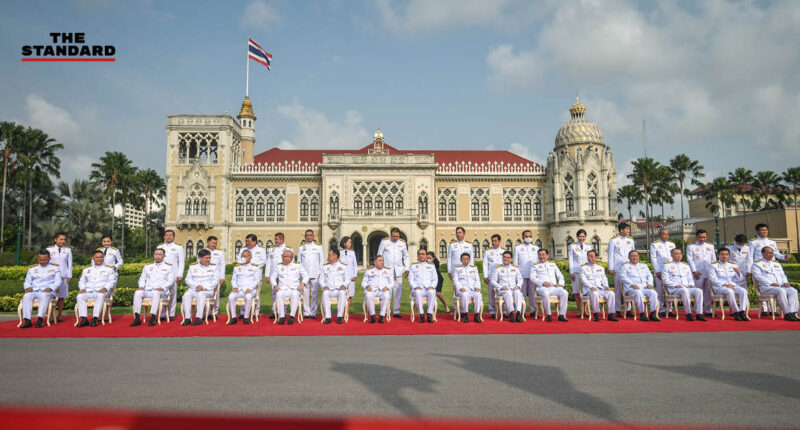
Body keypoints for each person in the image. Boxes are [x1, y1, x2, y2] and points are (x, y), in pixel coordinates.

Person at [748, 224, 792, 314]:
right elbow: (750, 257)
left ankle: (773, 310)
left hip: (772, 267)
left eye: (766, 230)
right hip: (760, 267)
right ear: (757, 231)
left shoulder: (772, 241)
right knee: (762, 287)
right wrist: (749, 270)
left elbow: (776, 254)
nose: (765, 232)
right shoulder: (753, 242)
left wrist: (784, 256)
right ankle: (764, 309)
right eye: (762, 230)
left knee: (775, 284)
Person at [751, 246, 799, 321]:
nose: (770, 254)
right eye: (768, 253)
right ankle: (787, 314)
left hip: (780, 286)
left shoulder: (776, 264)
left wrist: (785, 282)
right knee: (781, 291)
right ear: (763, 253)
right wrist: (771, 283)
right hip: (767, 287)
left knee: (793, 290)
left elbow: (783, 275)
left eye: (772, 253)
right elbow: (758, 277)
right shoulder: (757, 264)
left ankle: (793, 313)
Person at [131, 249, 175, 327]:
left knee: (156, 292)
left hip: (161, 292)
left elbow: (170, 281)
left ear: (164, 256)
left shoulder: (169, 267)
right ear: (153, 255)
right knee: (138, 292)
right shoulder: (148, 266)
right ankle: (137, 317)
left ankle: (153, 317)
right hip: (148, 290)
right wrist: (141, 286)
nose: (157, 256)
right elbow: (142, 278)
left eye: (160, 254)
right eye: (156, 254)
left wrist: (162, 287)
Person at [20, 250, 61, 328]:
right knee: (27, 296)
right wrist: (28, 287)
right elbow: (27, 281)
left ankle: (40, 319)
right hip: (34, 290)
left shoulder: (55, 268)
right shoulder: (32, 269)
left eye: (44, 260)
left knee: (43, 295)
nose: (42, 261)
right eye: (40, 259)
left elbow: (58, 282)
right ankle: (27, 320)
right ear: (37, 258)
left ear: (49, 259)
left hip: (48, 291)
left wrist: (51, 288)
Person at [75, 250, 117, 327]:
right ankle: (84, 319)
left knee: (100, 296)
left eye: (101, 257)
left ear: (103, 258)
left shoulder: (109, 269)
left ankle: (95, 318)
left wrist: (105, 288)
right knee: (80, 296)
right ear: (93, 258)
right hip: (89, 291)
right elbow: (81, 281)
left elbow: (112, 281)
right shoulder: (86, 270)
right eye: (97, 257)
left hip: (102, 291)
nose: (99, 259)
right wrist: (82, 288)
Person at [663, 248, 706, 321]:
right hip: (674, 289)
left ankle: (699, 313)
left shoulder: (686, 266)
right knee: (684, 290)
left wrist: (692, 284)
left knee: (699, 291)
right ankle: (688, 313)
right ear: (671, 255)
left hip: (686, 287)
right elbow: (665, 279)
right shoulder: (667, 266)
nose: (678, 255)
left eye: (680, 254)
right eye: (676, 254)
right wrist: (675, 285)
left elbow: (690, 279)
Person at [708, 248, 750, 321]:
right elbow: (713, 279)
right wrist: (725, 285)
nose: (724, 256)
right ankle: (736, 312)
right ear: (718, 255)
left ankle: (742, 311)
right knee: (729, 291)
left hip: (732, 285)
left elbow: (739, 279)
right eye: (722, 254)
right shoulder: (713, 265)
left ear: (729, 255)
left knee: (743, 291)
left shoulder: (732, 265)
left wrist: (738, 272)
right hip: (719, 287)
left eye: (726, 254)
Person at [181, 249, 220, 326]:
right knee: (186, 295)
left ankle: (199, 318)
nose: (208, 259)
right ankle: (187, 318)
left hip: (207, 290)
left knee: (201, 294)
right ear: (199, 258)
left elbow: (216, 281)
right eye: (206, 258)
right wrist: (196, 286)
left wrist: (204, 287)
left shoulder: (214, 267)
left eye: (209, 258)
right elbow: (187, 279)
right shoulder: (192, 266)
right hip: (194, 289)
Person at [376, 228, 409, 318]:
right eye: (394, 236)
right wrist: (379, 267)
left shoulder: (402, 243)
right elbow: (379, 254)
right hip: (387, 270)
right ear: (390, 235)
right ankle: (387, 310)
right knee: (387, 290)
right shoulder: (384, 242)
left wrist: (407, 268)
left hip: (398, 270)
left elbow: (406, 256)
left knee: (397, 291)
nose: (395, 238)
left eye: (397, 236)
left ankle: (396, 311)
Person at [619, 250, 660, 321]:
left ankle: (653, 313)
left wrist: (650, 284)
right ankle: (642, 313)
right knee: (638, 293)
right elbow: (623, 277)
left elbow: (649, 275)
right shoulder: (625, 266)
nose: (635, 257)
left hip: (644, 287)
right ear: (629, 257)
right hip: (631, 289)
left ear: (638, 257)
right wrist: (632, 284)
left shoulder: (643, 266)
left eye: (636, 256)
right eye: (632, 256)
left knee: (653, 292)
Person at [271, 249, 308, 325]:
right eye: (282, 256)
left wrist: (303, 283)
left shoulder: (297, 265)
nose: (283, 258)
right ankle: (281, 316)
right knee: (279, 294)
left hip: (294, 288)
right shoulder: (279, 266)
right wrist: (275, 285)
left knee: (295, 294)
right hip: (282, 288)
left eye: (285, 256)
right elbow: (272, 277)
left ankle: (292, 316)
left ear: (291, 258)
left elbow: (306, 275)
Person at [580, 250, 619, 322]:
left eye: (591, 256)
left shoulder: (600, 268)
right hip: (589, 289)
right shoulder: (583, 268)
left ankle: (611, 314)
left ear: (596, 257)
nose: (589, 258)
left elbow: (604, 278)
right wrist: (591, 287)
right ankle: (596, 314)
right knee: (594, 293)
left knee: (611, 293)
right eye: (588, 256)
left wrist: (606, 286)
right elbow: (583, 279)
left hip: (600, 288)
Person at [531, 249, 568, 322]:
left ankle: (561, 315)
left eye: (543, 254)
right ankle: (548, 314)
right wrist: (542, 282)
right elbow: (532, 278)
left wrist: (560, 283)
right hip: (542, 288)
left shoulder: (553, 265)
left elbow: (560, 276)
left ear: (547, 256)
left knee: (564, 292)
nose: (541, 256)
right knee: (545, 293)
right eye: (540, 255)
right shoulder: (535, 266)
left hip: (553, 288)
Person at [608, 222, 635, 317]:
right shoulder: (614, 240)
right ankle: (618, 309)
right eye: (627, 229)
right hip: (618, 267)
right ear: (621, 230)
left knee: (628, 287)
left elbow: (633, 253)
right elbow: (610, 254)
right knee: (618, 289)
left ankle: (628, 309)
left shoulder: (630, 240)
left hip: (628, 267)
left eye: (628, 229)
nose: (628, 231)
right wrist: (611, 268)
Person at [157, 230, 185, 319]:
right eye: (167, 235)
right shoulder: (160, 246)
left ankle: (171, 314)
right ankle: (162, 314)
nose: (168, 237)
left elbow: (181, 262)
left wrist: (180, 274)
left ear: (174, 237)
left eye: (170, 235)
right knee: (161, 293)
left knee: (173, 294)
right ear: (164, 237)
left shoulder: (178, 247)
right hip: (162, 274)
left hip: (173, 274)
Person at [687, 230, 716, 315]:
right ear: (697, 237)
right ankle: (697, 310)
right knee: (698, 291)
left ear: (706, 237)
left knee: (708, 292)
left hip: (708, 272)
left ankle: (708, 310)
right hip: (697, 273)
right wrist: (694, 271)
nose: (702, 239)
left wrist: (713, 271)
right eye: (700, 237)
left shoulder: (710, 246)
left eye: (704, 237)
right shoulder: (691, 246)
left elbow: (713, 259)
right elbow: (690, 260)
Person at [228, 249, 260, 324]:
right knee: (231, 296)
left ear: (250, 257)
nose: (243, 258)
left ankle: (246, 317)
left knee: (248, 297)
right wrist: (235, 287)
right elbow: (233, 279)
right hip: (239, 289)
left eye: (245, 256)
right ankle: (233, 317)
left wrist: (250, 288)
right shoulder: (237, 267)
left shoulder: (255, 268)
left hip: (250, 290)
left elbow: (256, 280)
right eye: (242, 256)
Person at [298, 230, 325, 319]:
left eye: (310, 235)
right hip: (304, 274)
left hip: (315, 273)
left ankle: (313, 312)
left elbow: (321, 261)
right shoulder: (302, 247)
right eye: (307, 235)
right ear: (305, 237)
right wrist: (300, 274)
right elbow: (299, 262)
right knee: (305, 293)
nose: (309, 237)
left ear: (313, 236)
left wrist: (320, 273)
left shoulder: (318, 247)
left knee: (314, 293)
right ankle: (306, 312)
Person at [490, 251, 524, 322]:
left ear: (511, 259)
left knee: (518, 293)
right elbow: (493, 280)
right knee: (508, 293)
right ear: (502, 258)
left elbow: (520, 279)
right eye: (504, 257)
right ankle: (511, 313)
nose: (506, 259)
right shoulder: (498, 269)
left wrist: (518, 286)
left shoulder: (515, 268)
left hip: (514, 288)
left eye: (508, 258)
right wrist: (501, 287)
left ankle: (518, 313)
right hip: (504, 289)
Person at [649, 227, 676, 317]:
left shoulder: (672, 244)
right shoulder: (654, 244)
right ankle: (660, 309)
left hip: (670, 270)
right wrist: (657, 271)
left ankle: (670, 309)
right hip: (660, 270)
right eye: (664, 234)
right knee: (660, 291)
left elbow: (674, 257)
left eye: (667, 234)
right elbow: (653, 258)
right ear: (660, 235)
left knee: (670, 290)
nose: (666, 236)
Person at [46, 232, 72, 322]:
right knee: (51, 296)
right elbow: (47, 263)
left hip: (64, 276)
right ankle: (51, 315)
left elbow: (70, 264)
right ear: (55, 239)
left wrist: (69, 275)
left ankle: (60, 315)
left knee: (61, 297)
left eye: (64, 239)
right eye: (60, 239)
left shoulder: (68, 250)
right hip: (52, 276)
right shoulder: (49, 250)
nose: (62, 241)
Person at [513, 230, 539, 318]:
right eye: (526, 236)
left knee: (532, 294)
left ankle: (532, 310)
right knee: (522, 294)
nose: (528, 238)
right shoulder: (518, 248)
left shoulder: (535, 248)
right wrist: (516, 276)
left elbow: (538, 262)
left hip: (532, 275)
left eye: (530, 236)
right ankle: (521, 311)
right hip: (522, 274)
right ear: (523, 237)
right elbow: (515, 263)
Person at [320, 248, 349, 324]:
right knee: (325, 293)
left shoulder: (343, 266)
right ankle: (328, 317)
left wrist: (344, 285)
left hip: (339, 289)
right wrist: (324, 286)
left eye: (329, 255)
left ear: (335, 256)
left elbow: (347, 279)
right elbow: (321, 279)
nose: (328, 256)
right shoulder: (325, 267)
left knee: (342, 293)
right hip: (329, 290)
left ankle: (339, 316)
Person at [409, 248, 438, 323]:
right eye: (419, 254)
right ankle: (421, 315)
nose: (421, 255)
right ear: (417, 255)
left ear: (426, 256)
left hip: (428, 288)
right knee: (418, 292)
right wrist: (415, 286)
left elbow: (435, 278)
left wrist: (432, 286)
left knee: (432, 292)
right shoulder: (413, 266)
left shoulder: (431, 266)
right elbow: (410, 279)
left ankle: (429, 314)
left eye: (423, 254)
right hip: (418, 288)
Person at [452, 252, 483, 323]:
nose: (465, 260)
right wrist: (460, 288)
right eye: (463, 259)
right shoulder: (457, 268)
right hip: (462, 289)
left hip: (472, 289)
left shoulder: (474, 268)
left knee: (478, 295)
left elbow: (477, 279)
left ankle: (476, 315)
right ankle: (465, 314)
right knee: (464, 294)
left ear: (469, 260)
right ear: (461, 260)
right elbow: (455, 280)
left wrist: (477, 287)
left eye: (467, 259)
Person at [266, 232, 291, 318]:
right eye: (275, 239)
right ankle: (274, 311)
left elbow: (290, 262)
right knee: (274, 293)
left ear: (282, 239)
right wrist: (267, 275)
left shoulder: (288, 249)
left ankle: (283, 311)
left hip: (283, 274)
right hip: (273, 274)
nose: (275, 241)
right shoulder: (271, 249)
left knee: (283, 292)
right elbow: (268, 262)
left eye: (277, 239)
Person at [362, 255, 393, 323]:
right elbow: (364, 282)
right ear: (375, 262)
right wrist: (367, 286)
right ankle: (373, 316)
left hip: (383, 290)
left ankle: (381, 316)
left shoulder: (388, 271)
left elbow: (392, 283)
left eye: (383, 261)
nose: (382, 262)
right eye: (380, 261)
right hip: (372, 290)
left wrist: (387, 287)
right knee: (368, 295)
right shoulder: (369, 271)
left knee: (386, 295)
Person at [482, 234, 505, 318]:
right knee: (491, 293)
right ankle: (492, 310)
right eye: (492, 241)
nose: (493, 242)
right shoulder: (488, 251)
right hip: (491, 276)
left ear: (499, 241)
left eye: (495, 241)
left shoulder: (503, 251)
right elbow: (485, 264)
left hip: (501, 276)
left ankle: (503, 310)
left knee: (502, 293)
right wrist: (485, 276)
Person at [568, 230, 589, 317]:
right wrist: (571, 272)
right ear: (577, 237)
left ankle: (586, 310)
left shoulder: (589, 246)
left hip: (586, 272)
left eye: (583, 236)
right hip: (576, 271)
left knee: (586, 292)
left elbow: (590, 259)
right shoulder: (572, 246)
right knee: (577, 292)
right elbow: (571, 260)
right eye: (580, 236)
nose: (582, 238)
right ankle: (579, 310)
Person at [205, 236, 226, 317]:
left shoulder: (219, 252)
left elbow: (222, 265)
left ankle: (215, 312)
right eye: (213, 243)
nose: (214, 245)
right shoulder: (203, 252)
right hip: (205, 276)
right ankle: (206, 312)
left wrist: (222, 277)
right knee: (205, 294)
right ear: (208, 242)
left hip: (216, 277)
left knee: (216, 294)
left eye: (215, 243)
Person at [339, 236, 359, 305]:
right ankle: (341, 313)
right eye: (349, 242)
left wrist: (355, 275)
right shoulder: (339, 253)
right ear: (344, 243)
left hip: (351, 277)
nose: (350, 244)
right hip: (342, 277)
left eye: (350, 242)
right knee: (342, 295)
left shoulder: (352, 253)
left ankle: (346, 312)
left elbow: (355, 265)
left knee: (350, 295)